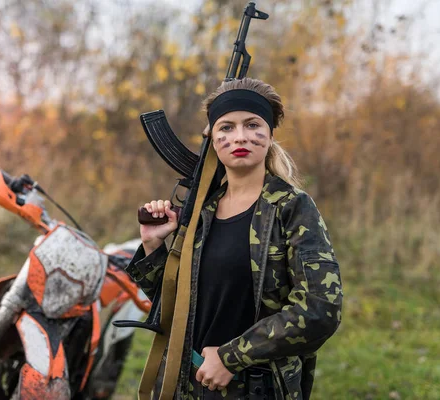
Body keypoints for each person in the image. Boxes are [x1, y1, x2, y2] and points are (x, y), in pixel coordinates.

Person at [124, 77, 343, 400]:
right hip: (184, 384)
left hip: (256, 388)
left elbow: (320, 309)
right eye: (226, 127)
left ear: (269, 135)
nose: (239, 136)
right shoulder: (202, 210)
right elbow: (175, 305)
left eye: (252, 125)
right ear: (212, 139)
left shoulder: (291, 208)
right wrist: (154, 244)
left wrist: (231, 357)